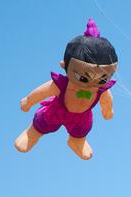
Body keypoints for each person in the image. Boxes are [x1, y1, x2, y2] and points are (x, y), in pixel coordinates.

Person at [14, 19, 119, 160]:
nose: (92, 82)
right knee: (44, 121)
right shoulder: (62, 84)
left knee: (81, 130)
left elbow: (106, 100)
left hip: (82, 117)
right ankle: (32, 133)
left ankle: (77, 142)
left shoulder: (101, 90)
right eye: (84, 77)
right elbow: (43, 91)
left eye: (101, 78)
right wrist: (28, 100)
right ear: (64, 65)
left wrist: (108, 110)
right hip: (57, 110)